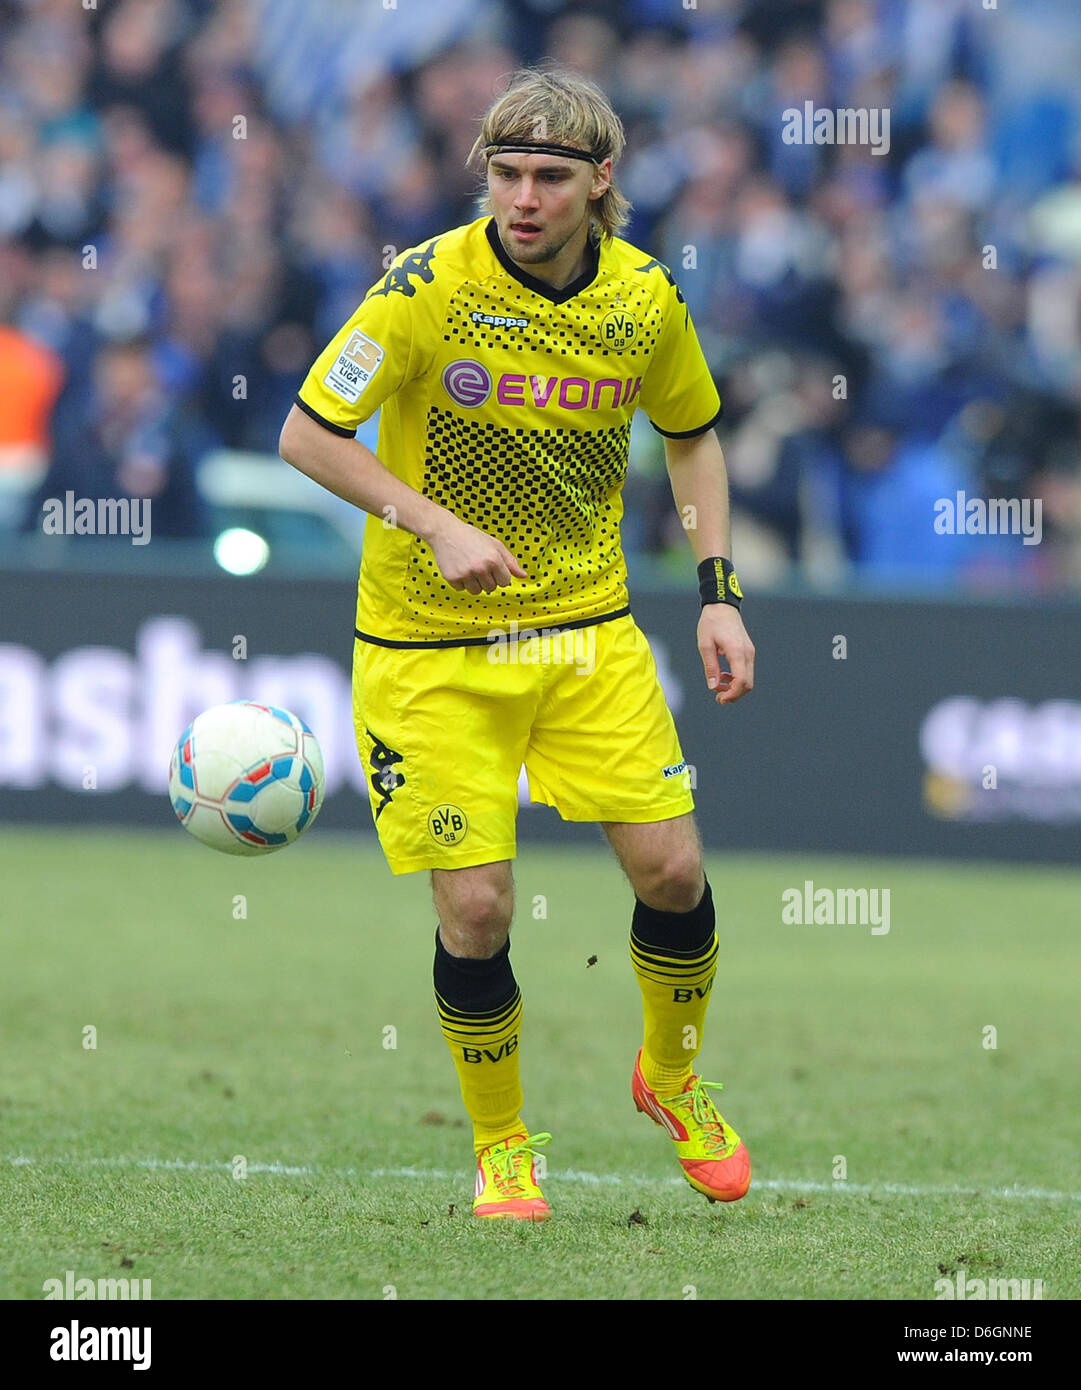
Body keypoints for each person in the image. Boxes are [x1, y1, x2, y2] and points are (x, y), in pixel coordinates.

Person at [279, 67, 756, 1221]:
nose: (524, 199)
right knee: (479, 910)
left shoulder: (645, 298)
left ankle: (673, 1077)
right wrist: (433, 523)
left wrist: (715, 590)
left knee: (674, 871)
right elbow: (305, 433)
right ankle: (500, 1146)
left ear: (602, 182)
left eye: (549, 177)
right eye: (505, 174)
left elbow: (692, 436)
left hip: (584, 631)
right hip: (428, 644)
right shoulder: (424, 287)